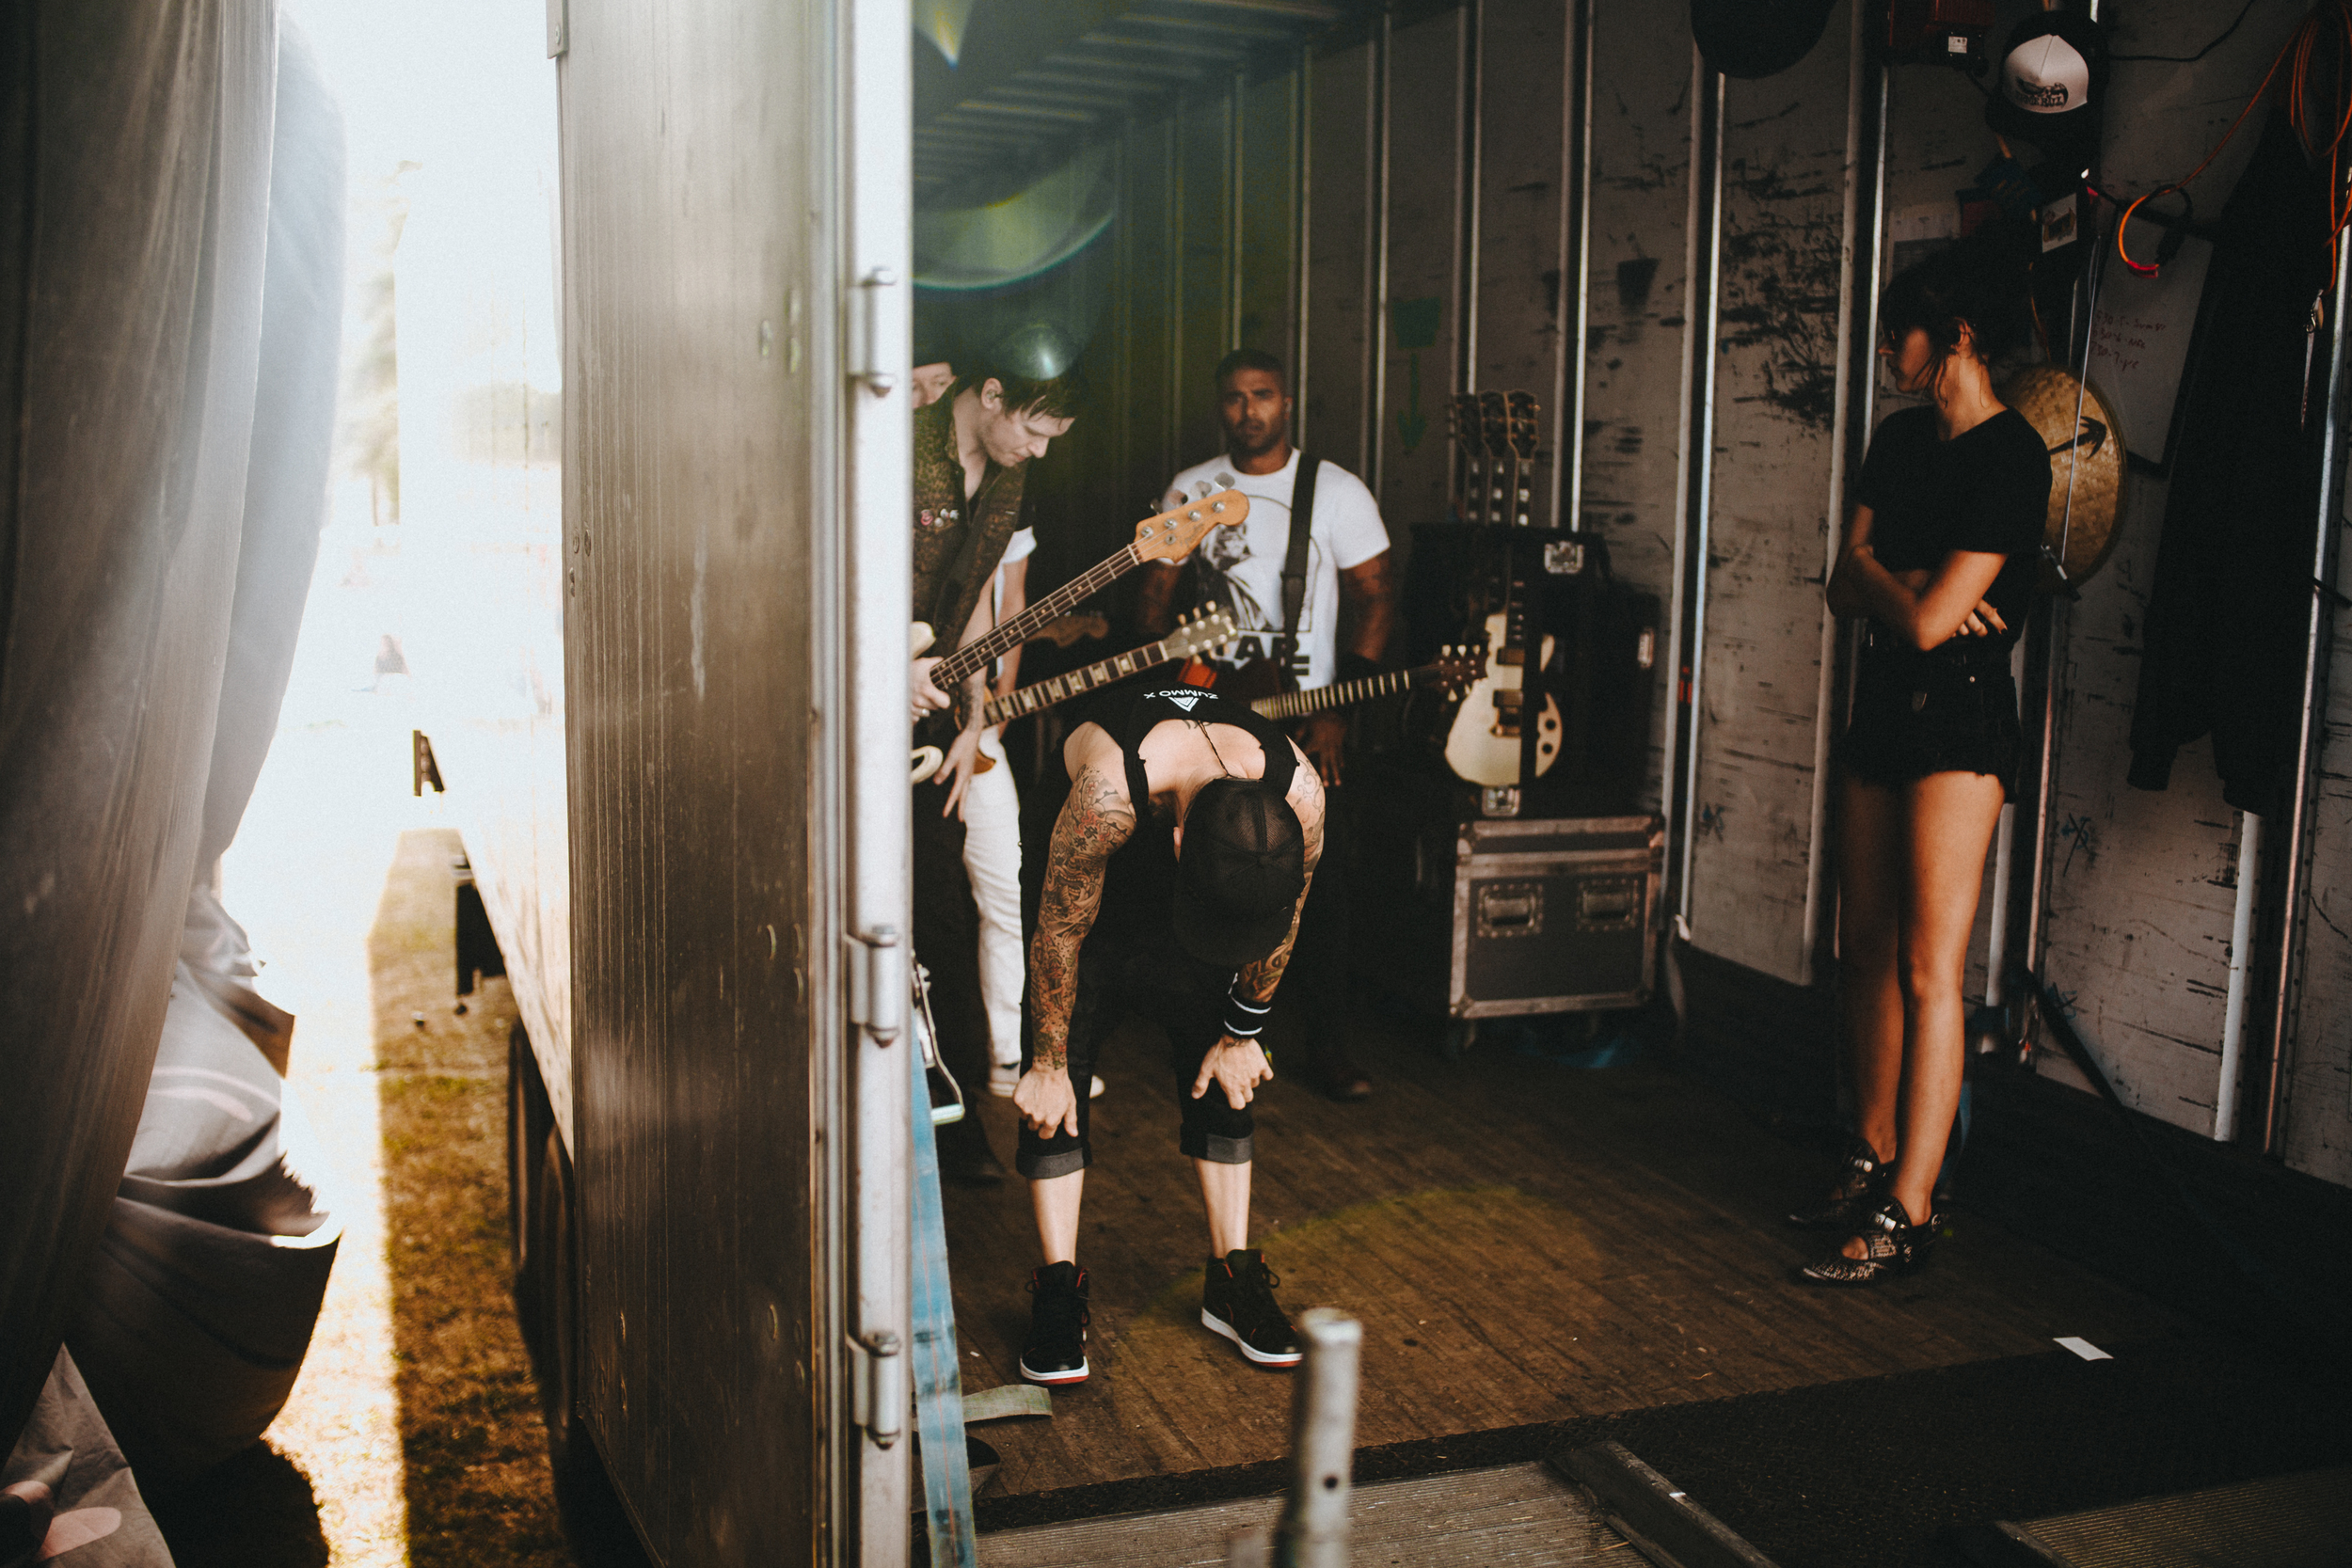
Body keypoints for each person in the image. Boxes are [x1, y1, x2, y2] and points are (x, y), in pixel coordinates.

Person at [1795, 239, 2051, 1286]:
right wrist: (1897, 586)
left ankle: (1910, 1208)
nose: (1885, 349)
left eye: (1899, 329)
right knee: (1863, 950)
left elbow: (1937, 616)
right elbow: (1837, 585)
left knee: (1926, 967)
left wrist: (1884, 579)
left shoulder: (2012, 456)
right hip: (1884, 710)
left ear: (1951, 336)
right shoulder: (1897, 442)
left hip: (1959, 725)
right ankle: (1870, 1154)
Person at [1011, 681, 1325, 1383]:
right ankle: (1058, 1284)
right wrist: (1048, 1058)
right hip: (1084, 885)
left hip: (1205, 864)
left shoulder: (1300, 794)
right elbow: (1060, 929)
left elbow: (1287, 917)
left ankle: (1231, 1275)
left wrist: (1244, 1033)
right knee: (1058, 1064)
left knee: (1227, 1049)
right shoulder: (1105, 795)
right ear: (1178, 841)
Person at [1136, 348, 1395, 1101]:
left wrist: (1336, 707)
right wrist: (1171, 685)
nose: (1249, 411)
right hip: (1212, 712)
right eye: (1234, 398)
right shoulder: (1193, 488)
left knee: (1323, 883)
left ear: (1289, 401)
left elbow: (1376, 597)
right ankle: (1202, 1036)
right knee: (1202, 865)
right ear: (1218, 406)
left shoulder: (1335, 491)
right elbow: (1152, 602)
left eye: (1263, 395)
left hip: (1306, 718)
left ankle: (1329, 1046)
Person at [909, 360, 1078, 1185]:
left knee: (949, 909)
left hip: (940, 713)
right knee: (900, 913)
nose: (1040, 453)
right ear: (992, 397)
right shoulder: (904, 440)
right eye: (1036, 431)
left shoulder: (1006, 484)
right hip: (856, 699)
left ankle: (960, 1106)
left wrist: (973, 705)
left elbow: (977, 601)